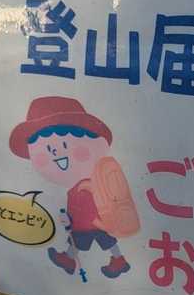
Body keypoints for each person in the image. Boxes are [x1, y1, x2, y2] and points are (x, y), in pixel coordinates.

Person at [9, 95, 139, 279]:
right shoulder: (77, 186)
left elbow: (90, 207)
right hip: (89, 225)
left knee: (94, 242)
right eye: (49, 150)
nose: (57, 154)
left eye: (65, 144)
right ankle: (91, 260)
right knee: (99, 242)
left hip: (91, 224)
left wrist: (88, 222)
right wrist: (69, 219)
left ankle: (89, 260)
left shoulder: (88, 185)